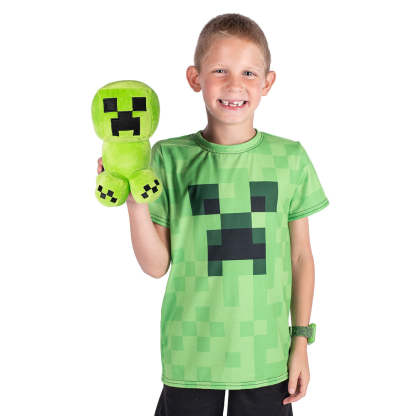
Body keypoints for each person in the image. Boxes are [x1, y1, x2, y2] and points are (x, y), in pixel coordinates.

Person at [97, 13, 329, 416]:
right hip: (191, 354)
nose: (235, 84)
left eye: (249, 73)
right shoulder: (168, 158)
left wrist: (300, 341)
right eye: (220, 70)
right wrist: (135, 203)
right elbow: (156, 266)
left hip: (265, 356)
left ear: (267, 82)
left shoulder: (289, 158)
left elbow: (300, 258)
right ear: (195, 78)